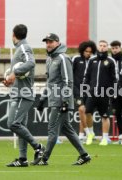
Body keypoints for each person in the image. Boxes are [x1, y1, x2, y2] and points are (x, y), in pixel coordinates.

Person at [34, 33, 91, 165]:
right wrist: (43, 98)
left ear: (58, 43)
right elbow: (50, 82)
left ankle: (44, 158)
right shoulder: (50, 59)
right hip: (55, 99)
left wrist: (65, 100)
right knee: (66, 129)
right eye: (46, 42)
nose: (48, 44)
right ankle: (84, 155)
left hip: (60, 101)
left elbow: (68, 81)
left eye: (51, 42)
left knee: (52, 129)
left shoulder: (63, 58)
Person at [3, 24, 45, 167]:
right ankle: (22, 159)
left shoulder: (23, 48)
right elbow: (23, 72)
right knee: (20, 126)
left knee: (13, 123)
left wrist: (14, 73)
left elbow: (31, 63)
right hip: (19, 92)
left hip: (23, 94)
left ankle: (38, 147)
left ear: (13, 35)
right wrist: (11, 80)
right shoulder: (19, 49)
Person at [84, 40, 118, 146]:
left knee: (104, 116)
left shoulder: (111, 61)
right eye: (101, 45)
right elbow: (87, 76)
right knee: (87, 112)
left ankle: (105, 137)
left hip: (105, 93)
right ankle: (90, 134)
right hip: (92, 92)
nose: (102, 47)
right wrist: (84, 90)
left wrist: (114, 92)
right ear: (98, 47)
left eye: (104, 46)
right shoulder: (92, 60)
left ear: (107, 48)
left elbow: (115, 78)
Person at [72, 41, 97, 144]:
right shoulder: (76, 59)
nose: (88, 53)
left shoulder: (94, 61)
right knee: (81, 110)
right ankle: (86, 133)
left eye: (90, 52)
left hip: (89, 90)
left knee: (88, 113)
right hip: (78, 89)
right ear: (82, 51)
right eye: (86, 51)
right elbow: (71, 75)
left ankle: (86, 134)